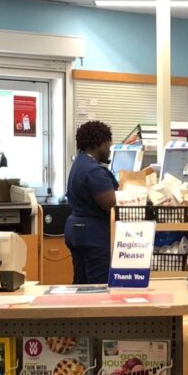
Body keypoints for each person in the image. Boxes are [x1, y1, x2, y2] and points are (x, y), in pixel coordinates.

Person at [65, 120, 118, 284]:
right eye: (108, 144)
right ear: (99, 144)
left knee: (81, 283)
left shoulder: (79, 163)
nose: (109, 149)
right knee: (99, 285)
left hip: (77, 232)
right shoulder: (94, 171)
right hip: (93, 236)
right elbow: (112, 206)